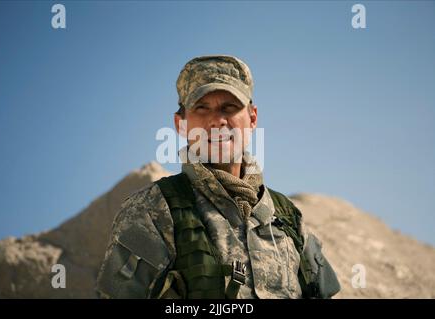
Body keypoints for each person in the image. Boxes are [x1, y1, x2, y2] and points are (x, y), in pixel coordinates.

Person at [96, 55, 340, 299]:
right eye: (201, 108)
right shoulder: (151, 211)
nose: (217, 121)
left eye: (229, 107)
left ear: (253, 118)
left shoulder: (287, 217)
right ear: (180, 124)